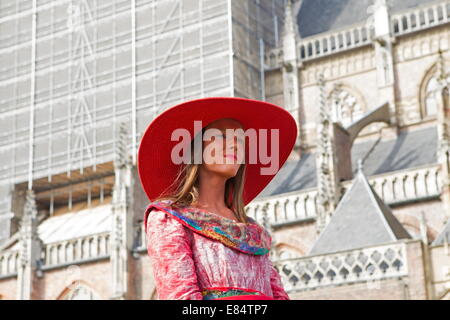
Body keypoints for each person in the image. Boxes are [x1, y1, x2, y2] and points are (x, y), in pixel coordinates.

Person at [137, 97, 297, 300]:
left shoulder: (254, 233)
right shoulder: (169, 219)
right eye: (221, 137)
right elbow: (180, 298)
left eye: (239, 140)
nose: (234, 145)